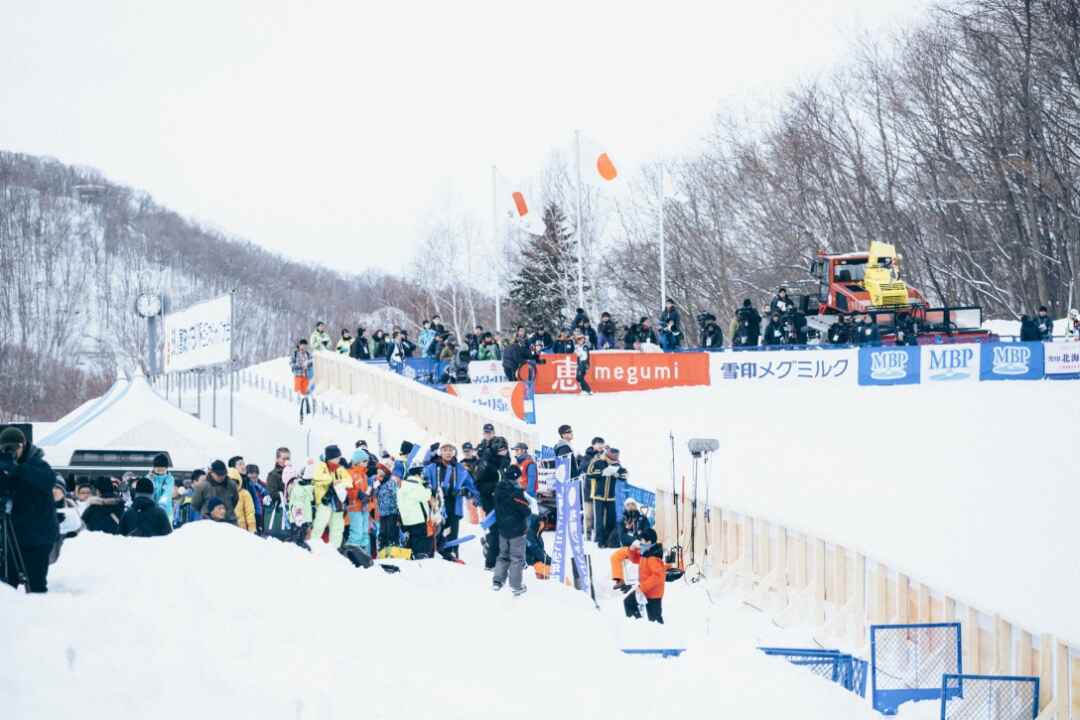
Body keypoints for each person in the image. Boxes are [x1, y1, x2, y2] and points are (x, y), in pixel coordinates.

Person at [0, 426, 59, 593]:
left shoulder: (37, 463)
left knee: (35, 584)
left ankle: (37, 613)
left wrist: (17, 469)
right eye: (5, 448)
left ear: (23, 445)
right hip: (11, 537)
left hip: (37, 536)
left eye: (14, 448)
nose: (10, 452)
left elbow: (48, 480)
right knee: (5, 587)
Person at [423, 444, 478, 560]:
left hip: (453, 504)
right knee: (437, 530)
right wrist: (430, 490)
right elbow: (423, 478)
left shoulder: (460, 468)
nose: (448, 453)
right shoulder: (432, 467)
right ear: (440, 452)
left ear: (454, 453)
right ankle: (436, 553)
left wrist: (465, 492)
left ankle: (452, 554)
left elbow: (471, 487)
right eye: (445, 450)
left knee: (452, 531)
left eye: (450, 450)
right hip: (436, 505)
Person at [492, 464, 532, 596]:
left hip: (502, 528)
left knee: (503, 555)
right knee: (516, 558)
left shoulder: (498, 489)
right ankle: (516, 586)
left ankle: (497, 581)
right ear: (516, 477)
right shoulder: (516, 492)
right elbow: (525, 510)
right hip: (516, 530)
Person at [475, 435, 511, 570]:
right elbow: (478, 484)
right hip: (490, 500)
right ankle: (490, 563)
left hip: (504, 500)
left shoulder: (506, 460)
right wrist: (495, 487)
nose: (504, 451)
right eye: (501, 449)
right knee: (496, 531)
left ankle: (502, 556)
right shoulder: (486, 463)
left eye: (505, 449)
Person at [512, 443, 546, 567]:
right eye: (515, 450)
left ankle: (542, 557)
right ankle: (530, 558)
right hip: (519, 501)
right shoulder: (516, 465)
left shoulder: (529, 464)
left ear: (524, 450)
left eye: (518, 450)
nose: (516, 452)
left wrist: (523, 496)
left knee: (532, 531)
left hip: (529, 501)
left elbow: (531, 485)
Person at [622, 528, 665, 623]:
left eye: (642, 541)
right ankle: (638, 625)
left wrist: (642, 587)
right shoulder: (646, 553)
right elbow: (635, 559)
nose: (640, 544)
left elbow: (658, 576)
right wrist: (631, 550)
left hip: (654, 593)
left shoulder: (653, 557)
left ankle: (660, 634)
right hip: (645, 591)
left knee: (655, 620)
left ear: (648, 542)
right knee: (628, 602)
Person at [312, 445, 350, 547]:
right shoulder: (321, 466)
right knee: (320, 524)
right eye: (337, 457)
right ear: (331, 457)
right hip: (324, 501)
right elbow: (317, 477)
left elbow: (349, 481)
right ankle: (313, 546)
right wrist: (333, 481)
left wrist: (340, 482)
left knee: (337, 527)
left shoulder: (339, 469)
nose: (339, 459)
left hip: (337, 502)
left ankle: (335, 549)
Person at [587, 447, 620, 548]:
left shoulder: (617, 464)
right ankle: (600, 541)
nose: (612, 462)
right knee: (599, 520)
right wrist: (602, 473)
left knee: (611, 519)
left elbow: (624, 474)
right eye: (610, 460)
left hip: (611, 496)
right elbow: (589, 473)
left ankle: (609, 540)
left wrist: (618, 474)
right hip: (599, 496)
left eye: (614, 460)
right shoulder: (597, 462)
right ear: (606, 456)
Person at [397, 465, 432, 558]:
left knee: (411, 539)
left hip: (406, 520)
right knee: (419, 539)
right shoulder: (416, 486)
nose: (423, 476)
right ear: (417, 474)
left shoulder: (403, 486)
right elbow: (426, 496)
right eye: (421, 473)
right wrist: (428, 488)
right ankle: (419, 556)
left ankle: (409, 556)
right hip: (418, 519)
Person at [344, 448, 372, 555]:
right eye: (364, 461)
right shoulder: (349, 473)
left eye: (367, 461)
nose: (366, 463)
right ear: (357, 461)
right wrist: (358, 494)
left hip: (364, 508)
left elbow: (366, 490)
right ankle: (352, 555)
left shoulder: (364, 475)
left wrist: (367, 496)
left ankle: (364, 554)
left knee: (365, 532)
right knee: (356, 532)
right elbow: (347, 490)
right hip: (354, 508)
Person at [374, 463, 399, 549]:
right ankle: (383, 549)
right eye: (378, 474)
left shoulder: (391, 483)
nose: (378, 476)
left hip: (392, 512)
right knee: (383, 533)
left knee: (391, 533)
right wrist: (375, 487)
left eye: (381, 474)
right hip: (382, 513)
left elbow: (396, 495)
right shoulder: (379, 485)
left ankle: (393, 549)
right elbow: (375, 496)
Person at [148, 454, 175, 522]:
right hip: (151, 512)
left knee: (167, 532)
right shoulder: (148, 478)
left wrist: (162, 505)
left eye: (163, 468)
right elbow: (148, 492)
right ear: (154, 467)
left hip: (166, 512)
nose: (161, 470)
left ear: (166, 468)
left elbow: (167, 492)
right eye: (158, 468)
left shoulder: (170, 479)